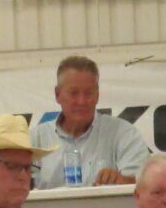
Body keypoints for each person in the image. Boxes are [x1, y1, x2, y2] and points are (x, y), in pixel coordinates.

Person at [31, 55, 151, 189]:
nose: (82, 101)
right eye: (74, 93)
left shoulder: (124, 134)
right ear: (57, 95)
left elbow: (146, 186)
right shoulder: (35, 139)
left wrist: (120, 180)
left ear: (98, 95)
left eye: (89, 93)